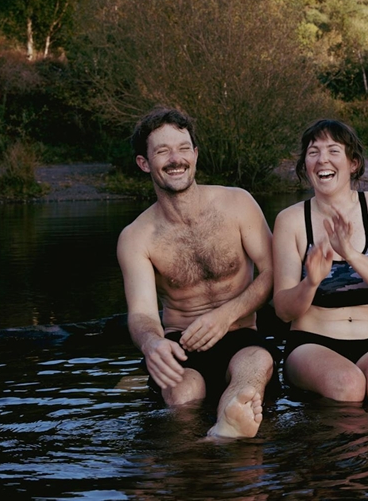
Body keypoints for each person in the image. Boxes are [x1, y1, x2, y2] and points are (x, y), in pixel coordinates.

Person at [117, 106, 275, 438]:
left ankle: (228, 427)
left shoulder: (238, 204)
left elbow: (273, 273)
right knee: (182, 396)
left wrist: (225, 316)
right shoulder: (136, 237)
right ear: (144, 163)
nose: (176, 159)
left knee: (254, 370)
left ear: (196, 154)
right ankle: (199, 451)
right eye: (162, 151)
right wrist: (151, 344)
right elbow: (142, 314)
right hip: (182, 343)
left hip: (242, 334)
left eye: (183, 148)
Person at [272, 119, 368, 403]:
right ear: (305, 166)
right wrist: (311, 282)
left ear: (353, 163)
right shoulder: (290, 221)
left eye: (333, 150)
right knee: (347, 385)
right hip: (312, 342)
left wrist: (350, 253)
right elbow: (283, 311)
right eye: (313, 152)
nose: (322, 159)